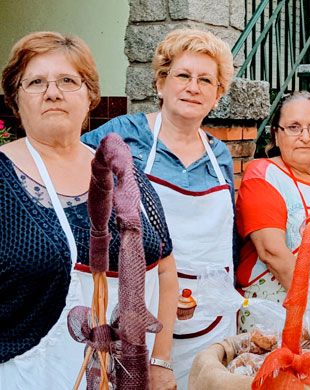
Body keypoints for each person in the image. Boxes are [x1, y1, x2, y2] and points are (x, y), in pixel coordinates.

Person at [0, 31, 178, 389]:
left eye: (68, 80)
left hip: (125, 375)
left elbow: (165, 270)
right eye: (36, 82)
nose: (53, 92)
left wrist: (160, 362)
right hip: (27, 376)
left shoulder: (124, 173)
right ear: (16, 100)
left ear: (90, 95)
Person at [82, 28, 235, 387]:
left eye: (205, 80)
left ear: (217, 94)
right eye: (182, 75)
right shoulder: (123, 135)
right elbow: (74, 180)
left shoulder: (221, 155)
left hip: (212, 319)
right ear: (161, 83)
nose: (193, 87)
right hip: (141, 310)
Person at [236, 92, 310, 330]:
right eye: (294, 127)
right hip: (276, 314)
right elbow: (272, 252)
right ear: (276, 134)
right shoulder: (264, 174)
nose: (305, 137)